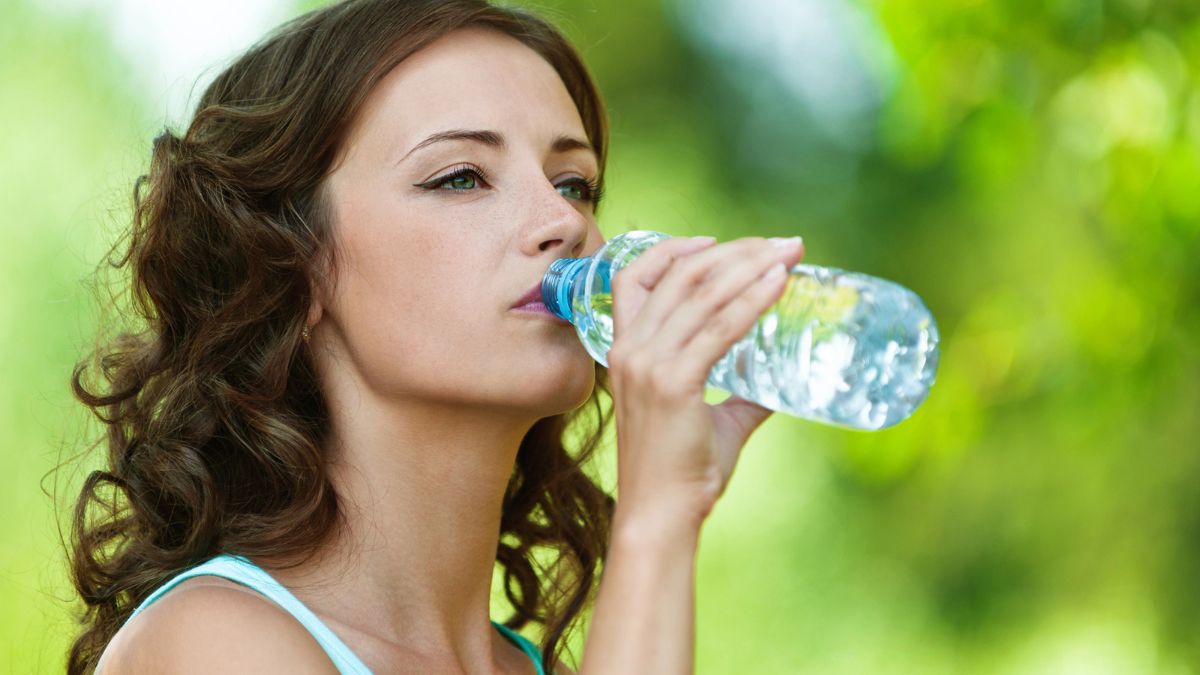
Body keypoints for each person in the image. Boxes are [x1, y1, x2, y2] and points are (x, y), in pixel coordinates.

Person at [67, 0, 806, 673]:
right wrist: (655, 517)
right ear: (293, 266)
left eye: (573, 181)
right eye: (461, 177)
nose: (565, 222)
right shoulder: (212, 643)